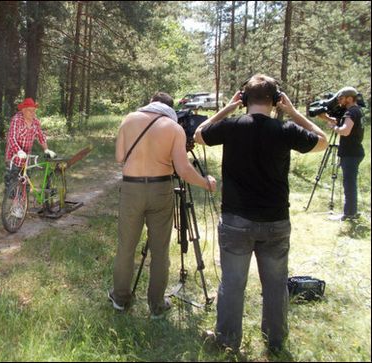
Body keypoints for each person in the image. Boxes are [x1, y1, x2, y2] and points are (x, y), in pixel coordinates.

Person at [194, 74, 328, 353]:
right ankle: (275, 342)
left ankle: (228, 341)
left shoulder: (231, 126)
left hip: (236, 221)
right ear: (276, 100)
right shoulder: (285, 128)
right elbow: (323, 140)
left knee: (232, 284)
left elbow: (199, 135)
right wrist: (292, 111)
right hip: (276, 221)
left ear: (244, 99)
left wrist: (228, 108)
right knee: (276, 285)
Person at [109, 92, 217, 318]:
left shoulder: (129, 119)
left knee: (125, 248)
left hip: (132, 189)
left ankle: (120, 298)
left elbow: (120, 157)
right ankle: (157, 305)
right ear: (170, 107)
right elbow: (184, 169)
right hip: (160, 190)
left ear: (150, 103)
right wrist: (205, 182)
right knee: (160, 251)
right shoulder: (174, 128)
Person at [317, 86, 365, 221]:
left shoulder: (350, 112)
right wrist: (328, 119)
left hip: (350, 153)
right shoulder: (357, 111)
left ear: (350, 98)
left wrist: (334, 128)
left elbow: (345, 131)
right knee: (350, 183)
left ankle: (349, 214)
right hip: (355, 152)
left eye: (342, 98)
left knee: (349, 184)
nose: (339, 101)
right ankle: (352, 211)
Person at [4, 97, 56, 192]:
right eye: (30, 111)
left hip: (26, 158)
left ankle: (24, 203)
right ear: (23, 110)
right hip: (13, 157)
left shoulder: (35, 122)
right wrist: (18, 151)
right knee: (11, 189)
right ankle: (12, 205)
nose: (32, 113)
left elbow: (41, 136)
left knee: (25, 186)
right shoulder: (17, 120)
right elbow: (11, 138)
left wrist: (46, 149)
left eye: (34, 111)